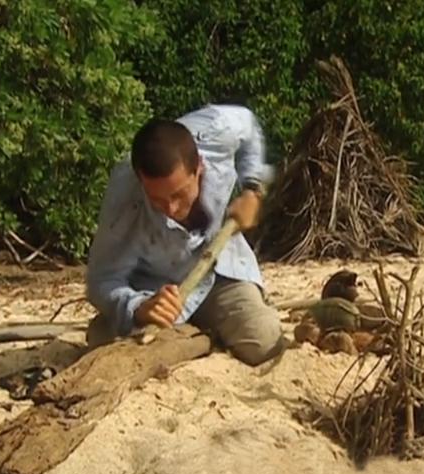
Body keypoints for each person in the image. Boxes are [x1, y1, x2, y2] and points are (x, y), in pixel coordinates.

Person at [84, 104, 285, 366]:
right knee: (103, 344)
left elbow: (248, 123)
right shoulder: (124, 195)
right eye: (157, 199)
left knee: (265, 342)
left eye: (178, 194)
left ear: (198, 167)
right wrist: (138, 307)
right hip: (155, 292)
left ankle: (197, 333)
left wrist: (252, 188)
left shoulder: (216, 130)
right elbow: (102, 280)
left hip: (220, 274)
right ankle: (195, 336)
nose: (171, 209)